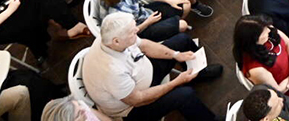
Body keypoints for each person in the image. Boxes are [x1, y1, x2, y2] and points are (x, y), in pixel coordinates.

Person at [82, 12, 223, 121]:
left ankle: (199, 73)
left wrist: (176, 55)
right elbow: (138, 99)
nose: (137, 30)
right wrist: (176, 82)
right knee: (185, 95)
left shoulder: (112, 37)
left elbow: (144, 45)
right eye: (133, 32)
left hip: (142, 73)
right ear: (116, 41)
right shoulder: (111, 71)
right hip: (132, 109)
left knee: (183, 40)